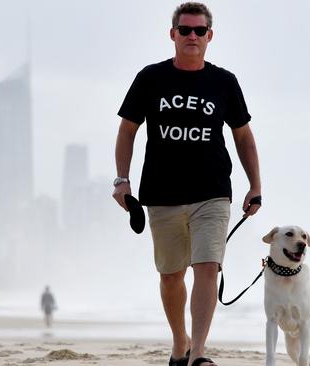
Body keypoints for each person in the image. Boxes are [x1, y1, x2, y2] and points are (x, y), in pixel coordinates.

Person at [112, 3, 261, 366]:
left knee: (208, 266)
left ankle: (197, 352)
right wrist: (122, 180)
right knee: (171, 275)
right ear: (173, 34)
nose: (191, 36)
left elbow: (243, 136)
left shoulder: (224, 82)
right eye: (185, 30)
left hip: (212, 192)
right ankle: (180, 342)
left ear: (210, 36)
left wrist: (255, 184)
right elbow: (127, 130)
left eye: (199, 31)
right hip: (162, 194)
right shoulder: (150, 78)